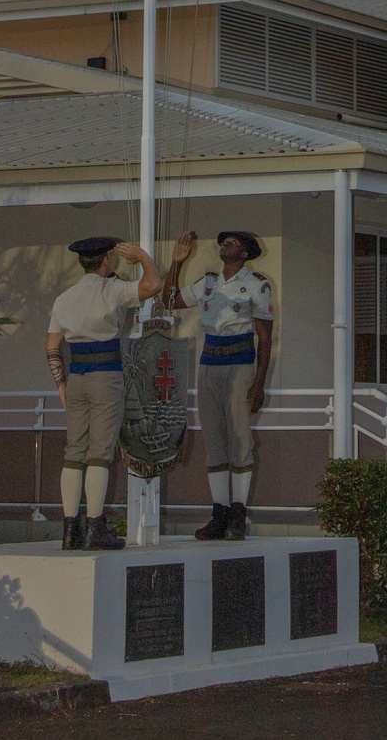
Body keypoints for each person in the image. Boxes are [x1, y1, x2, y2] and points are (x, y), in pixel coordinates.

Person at [47, 235, 162, 550]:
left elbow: (52, 347)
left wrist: (60, 384)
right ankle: (95, 527)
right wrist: (141, 257)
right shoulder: (113, 290)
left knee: (74, 452)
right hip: (106, 374)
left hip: (76, 377)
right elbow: (153, 285)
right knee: (99, 452)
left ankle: (71, 530)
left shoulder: (64, 299)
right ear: (105, 261)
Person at [162, 229, 273, 541]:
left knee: (239, 439)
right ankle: (219, 512)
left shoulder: (257, 284)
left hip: (240, 363)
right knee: (214, 440)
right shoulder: (208, 282)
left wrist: (260, 382)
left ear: (246, 254)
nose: (226, 244)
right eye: (224, 241)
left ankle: (238, 513)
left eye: (234, 243)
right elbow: (168, 300)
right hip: (209, 363)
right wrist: (177, 263)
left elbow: (265, 338)